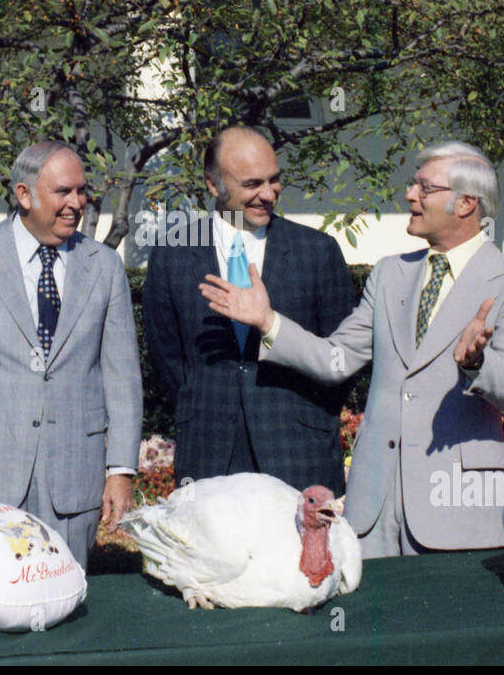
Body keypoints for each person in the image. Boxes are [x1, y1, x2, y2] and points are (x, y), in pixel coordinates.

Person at [202, 141, 504, 557]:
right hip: (374, 510)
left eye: (425, 187)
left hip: (459, 508)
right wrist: (267, 321)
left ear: (466, 203)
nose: (410, 195)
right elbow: (336, 360)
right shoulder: (389, 274)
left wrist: (477, 363)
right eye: (413, 185)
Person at [0, 141, 142, 571]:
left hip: (73, 479)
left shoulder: (104, 266)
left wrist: (121, 470)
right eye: (64, 192)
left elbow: (122, 378)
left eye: (82, 192)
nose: (76, 203)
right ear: (24, 195)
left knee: (67, 601)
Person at [143, 126, 355, 491]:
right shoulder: (172, 254)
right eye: (253, 184)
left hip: (299, 453)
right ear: (213, 185)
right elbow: (168, 359)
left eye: (275, 180)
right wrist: (204, 405)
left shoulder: (318, 251)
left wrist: (306, 415)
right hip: (209, 454)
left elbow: (343, 357)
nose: (269, 194)